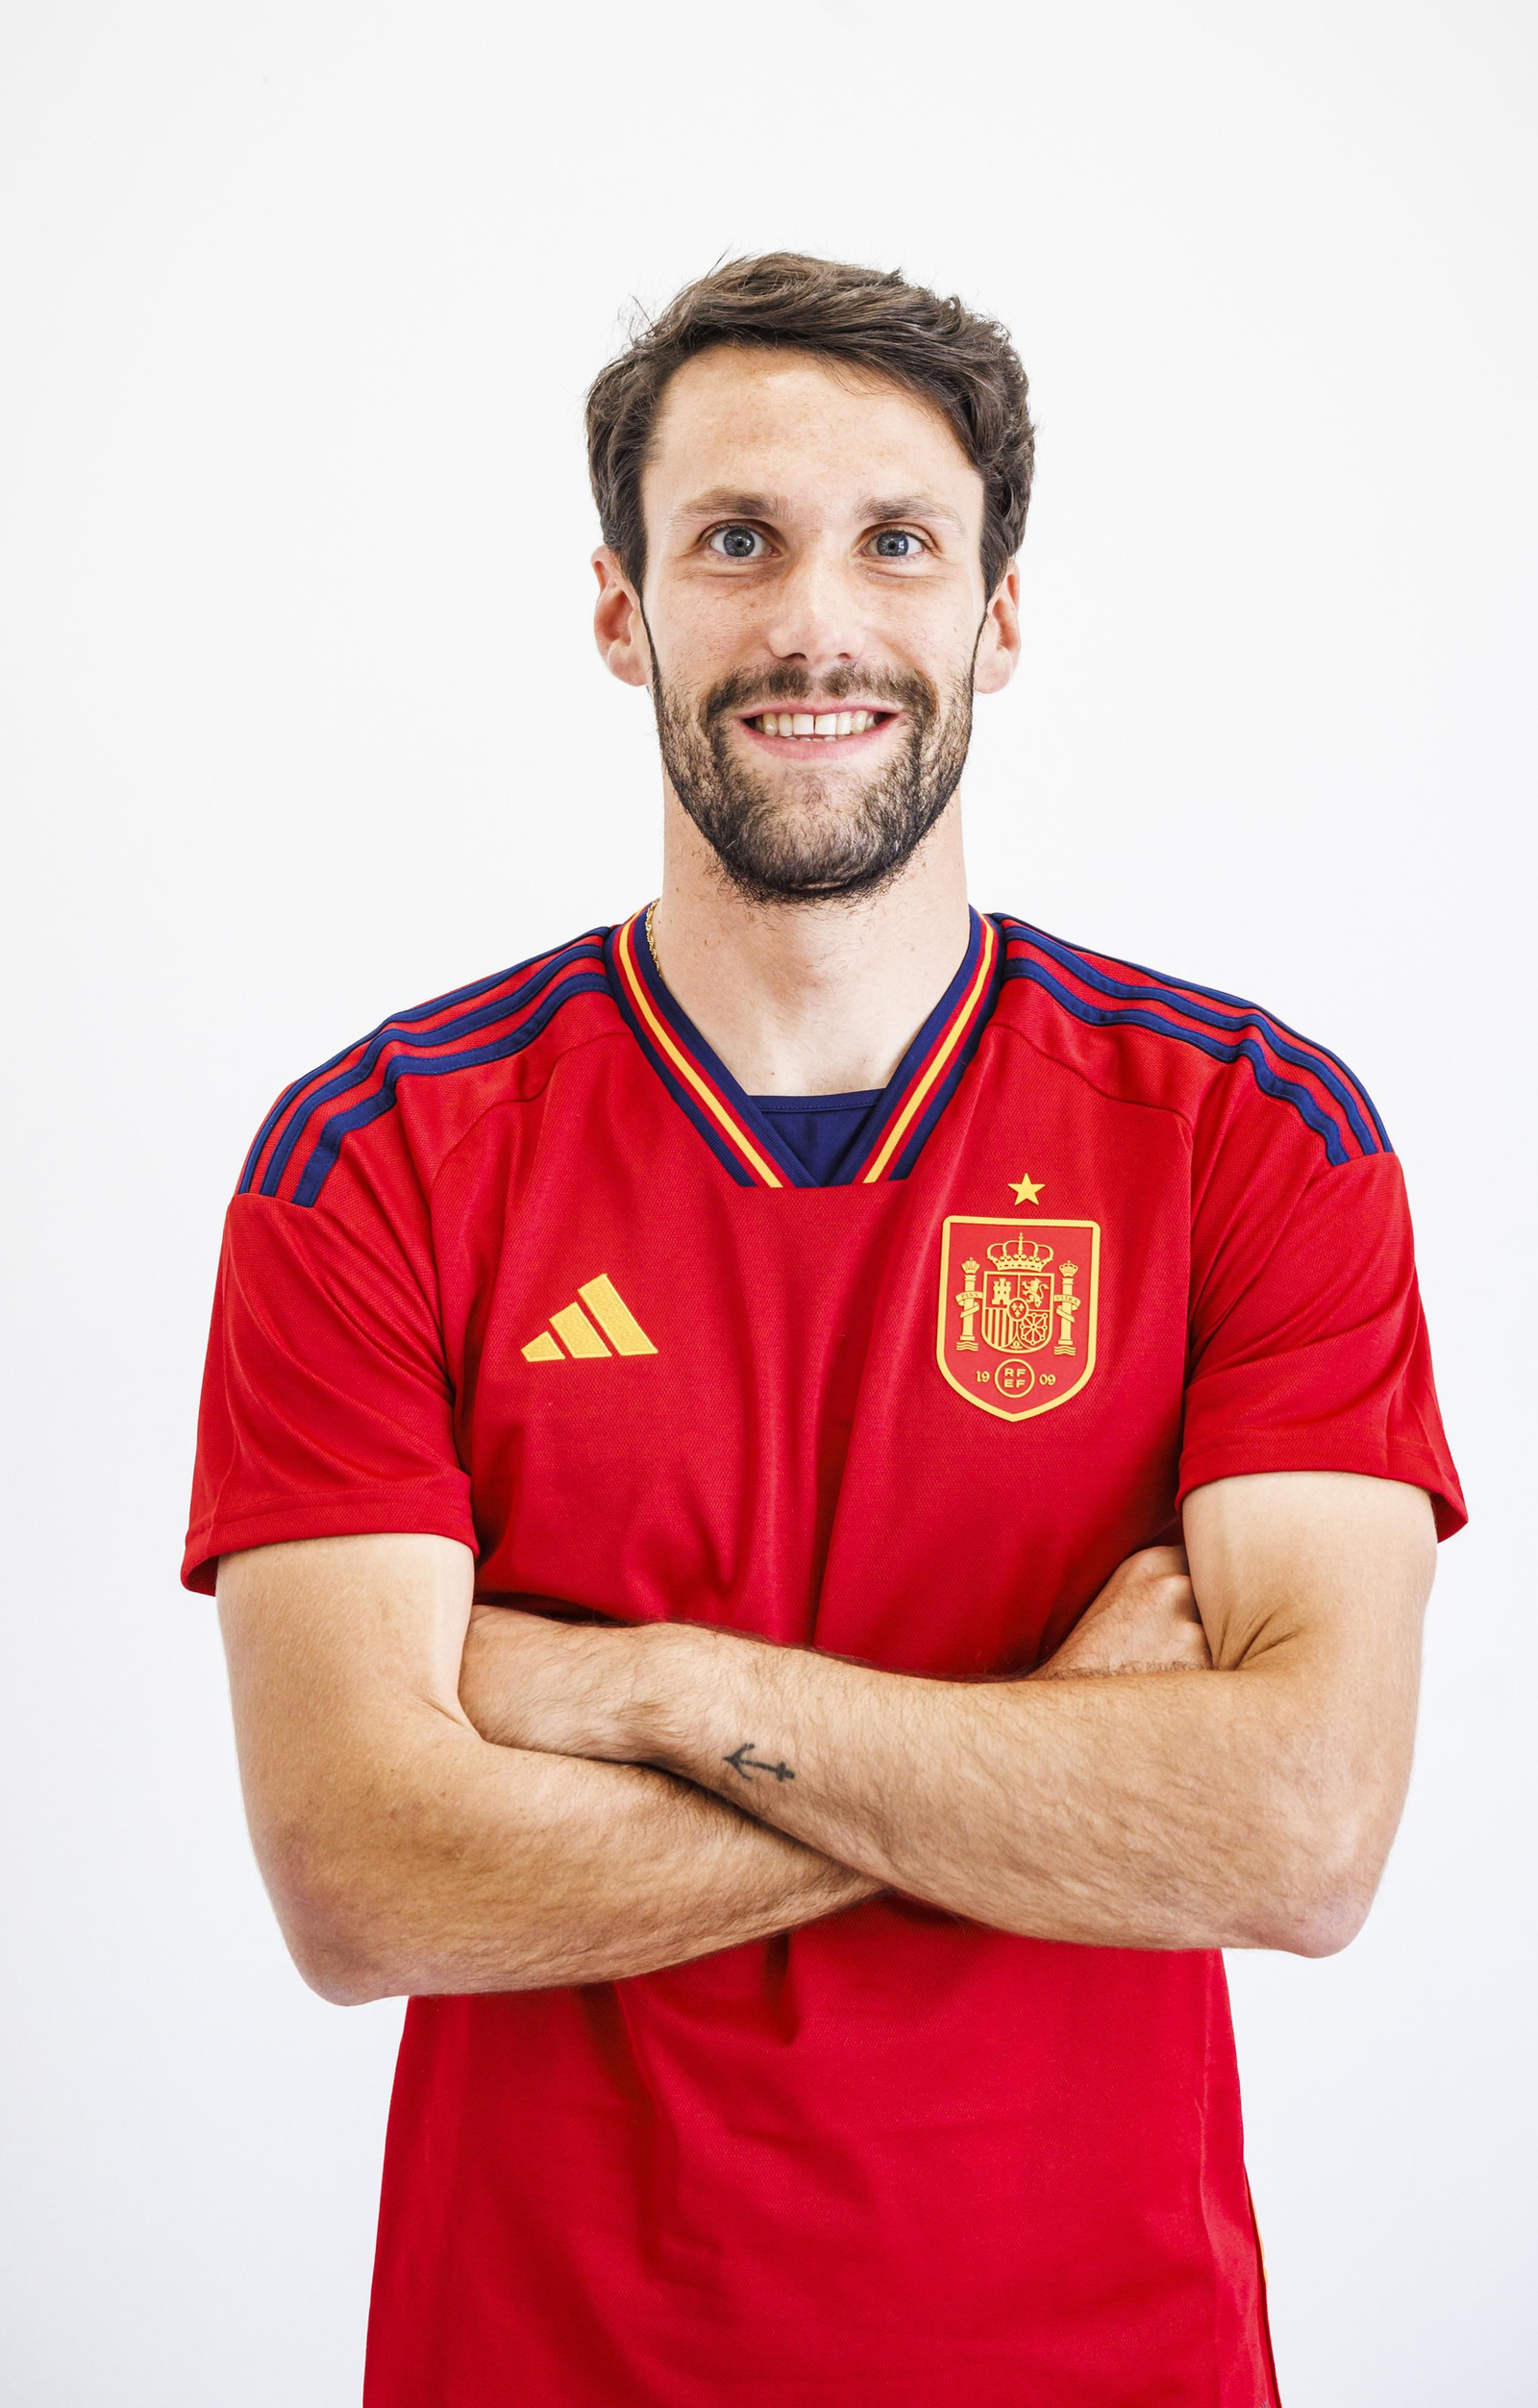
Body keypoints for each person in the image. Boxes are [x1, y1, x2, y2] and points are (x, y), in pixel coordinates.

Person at [186, 253, 1464, 2407]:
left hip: (1109, 2360)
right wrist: (1052, 1749)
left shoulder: (1250, 1133)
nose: (814, 620)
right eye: (733, 539)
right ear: (621, 611)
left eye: (896, 541)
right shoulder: (374, 1156)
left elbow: (1300, 1832)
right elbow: (362, 1878)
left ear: (997, 617)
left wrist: (639, 1687)